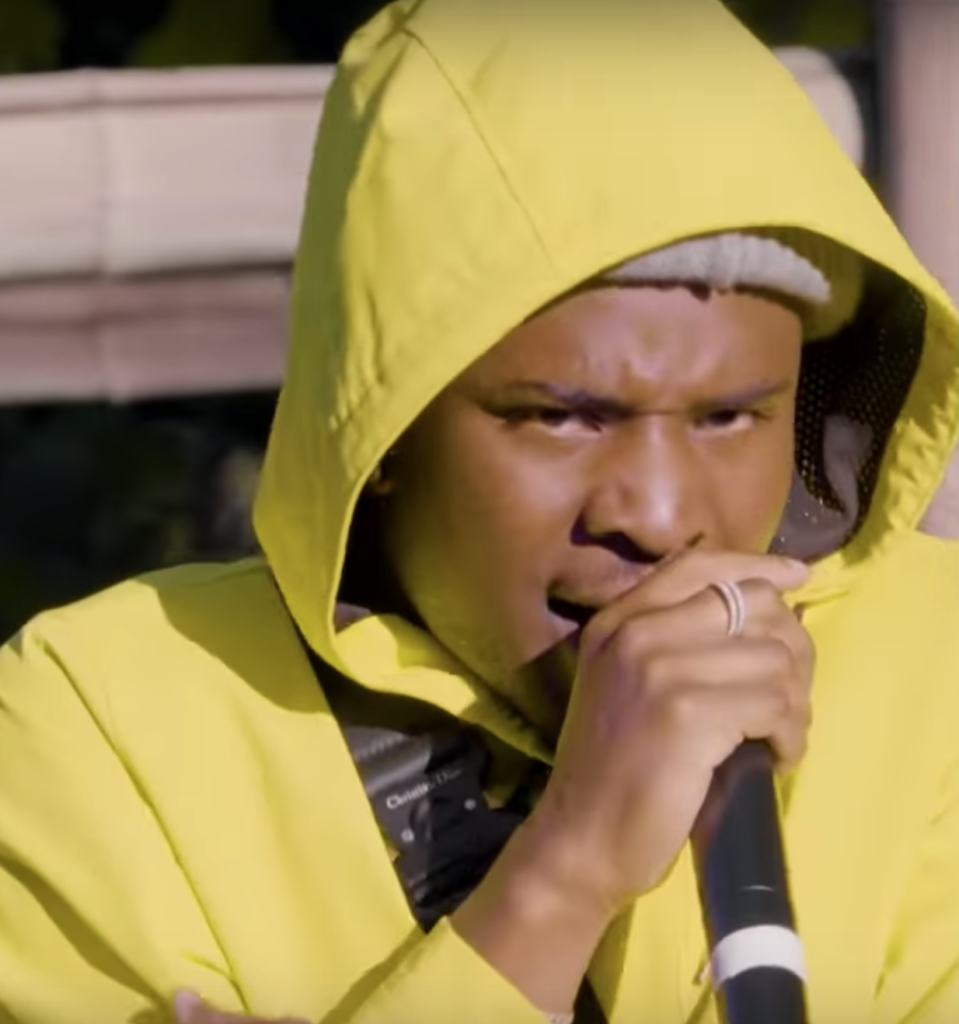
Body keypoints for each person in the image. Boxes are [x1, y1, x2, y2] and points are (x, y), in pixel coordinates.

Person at [1, 2, 957, 1023]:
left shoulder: (932, 667)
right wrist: (566, 870)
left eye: (729, 417)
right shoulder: (103, 724)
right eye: (562, 417)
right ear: (382, 428)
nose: (659, 514)